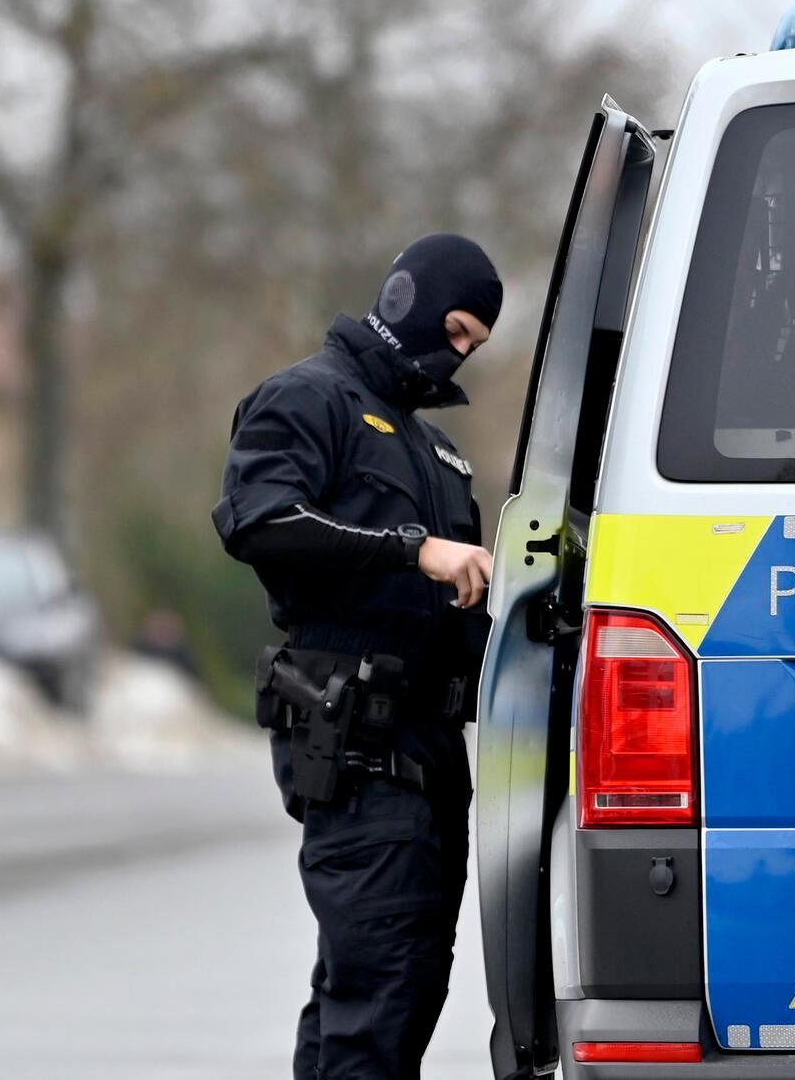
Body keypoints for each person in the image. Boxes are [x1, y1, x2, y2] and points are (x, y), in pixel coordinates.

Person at [213, 232, 502, 1080]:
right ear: (408, 299)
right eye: (454, 330)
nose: (457, 357)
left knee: (391, 991)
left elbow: (459, 604)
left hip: (432, 753)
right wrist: (412, 548)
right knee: (376, 998)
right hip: (359, 751)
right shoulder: (307, 400)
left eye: (474, 347)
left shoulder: (436, 448)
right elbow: (258, 522)